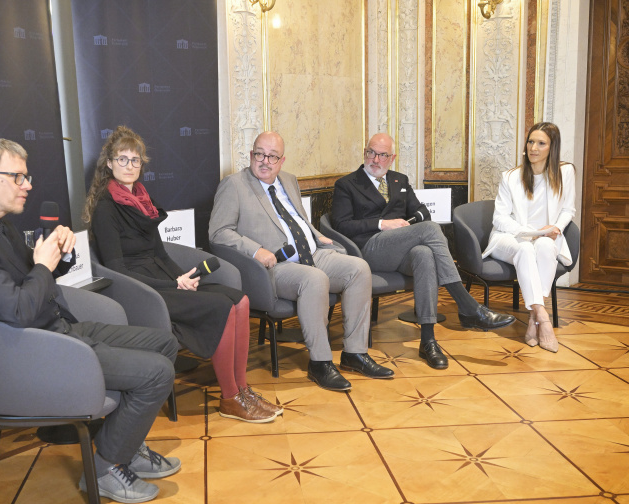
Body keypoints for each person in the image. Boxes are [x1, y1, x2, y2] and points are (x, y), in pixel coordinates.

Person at [0, 138, 182, 504]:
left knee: (164, 342)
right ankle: (106, 467)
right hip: (29, 353)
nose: (27, 185)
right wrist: (42, 264)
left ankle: (126, 445)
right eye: (17, 177)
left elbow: (35, 280)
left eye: (26, 176)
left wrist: (59, 256)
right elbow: (17, 310)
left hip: (55, 330)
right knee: (158, 372)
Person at [84, 127, 279, 423]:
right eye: (122, 159)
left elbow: (161, 254)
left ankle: (242, 389)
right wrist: (172, 283)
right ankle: (230, 398)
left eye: (135, 160)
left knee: (240, 300)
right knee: (222, 306)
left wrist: (184, 277)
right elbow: (118, 271)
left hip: (165, 279)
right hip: (142, 290)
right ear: (109, 163)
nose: (129, 166)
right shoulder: (105, 208)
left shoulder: (142, 199)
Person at [209, 131, 393, 392]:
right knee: (314, 279)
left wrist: (317, 235)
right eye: (260, 154)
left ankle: (355, 354)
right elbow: (218, 232)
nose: (265, 161)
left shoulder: (289, 180)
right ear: (251, 155)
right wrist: (255, 250)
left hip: (313, 254)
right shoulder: (234, 185)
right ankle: (320, 362)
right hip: (274, 267)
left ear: (282, 161)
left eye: (272, 156)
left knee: (359, 268)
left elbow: (297, 220)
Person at [332, 133, 516, 369]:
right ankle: (467, 306)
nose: (375, 160)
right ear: (365, 152)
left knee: (424, 255)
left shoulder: (399, 180)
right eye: (371, 153)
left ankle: (428, 341)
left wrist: (406, 226)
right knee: (429, 229)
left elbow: (422, 212)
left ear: (392, 158)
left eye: (383, 155)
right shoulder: (347, 184)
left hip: (399, 250)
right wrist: (382, 224)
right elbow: (341, 225)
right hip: (369, 249)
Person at [483, 122, 576, 353]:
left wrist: (556, 227)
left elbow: (568, 209)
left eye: (541, 143)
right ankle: (543, 318)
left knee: (544, 246)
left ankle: (534, 318)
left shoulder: (565, 172)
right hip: (510, 237)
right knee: (525, 248)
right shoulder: (510, 177)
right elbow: (500, 218)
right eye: (531, 142)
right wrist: (528, 233)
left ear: (552, 147)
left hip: (546, 236)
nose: (533, 148)